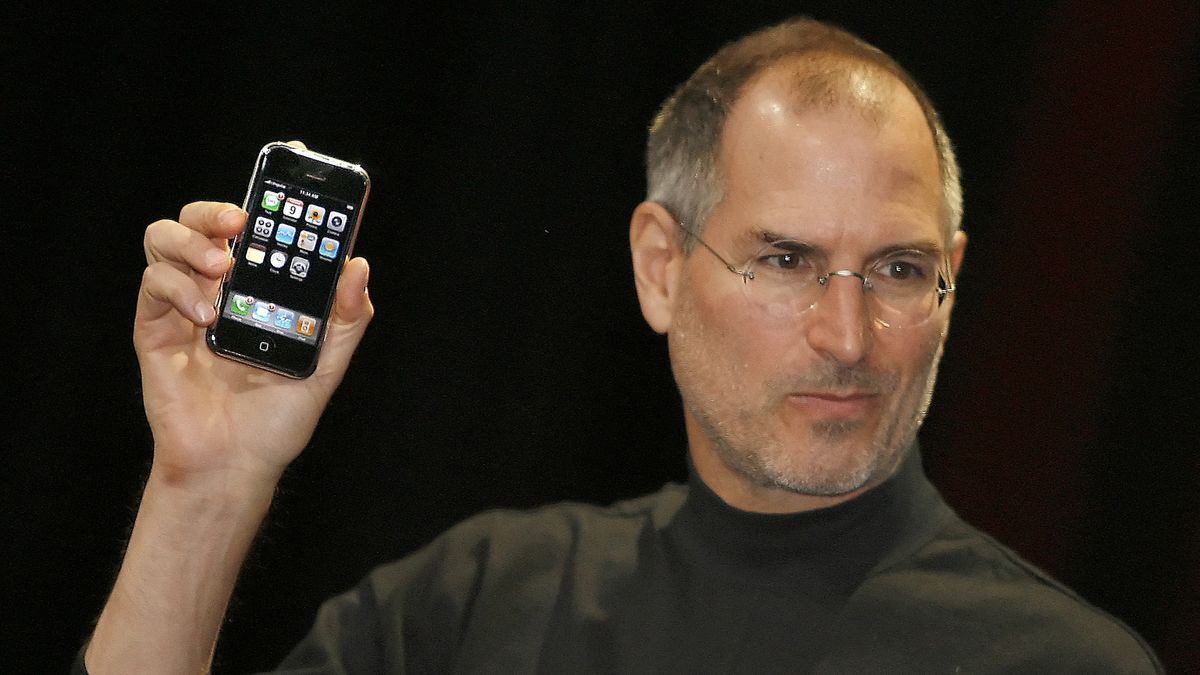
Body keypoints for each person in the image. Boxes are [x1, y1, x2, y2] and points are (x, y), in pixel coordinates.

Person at [77, 16, 1162, 674]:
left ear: (954, 280)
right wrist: (207, 484)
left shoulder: (1065, 664)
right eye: (783, 261)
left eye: (898, 271)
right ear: (659, 265)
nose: (849, 336)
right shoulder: (479, 601)